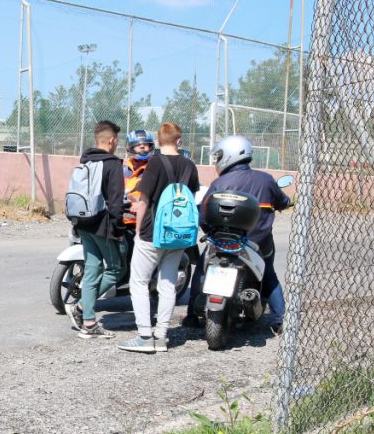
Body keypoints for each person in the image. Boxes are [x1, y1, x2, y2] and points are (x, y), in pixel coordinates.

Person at [183, 135, 292, 333]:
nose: (216, 161)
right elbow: (283, 202)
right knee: (269, 276)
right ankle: (279, 319)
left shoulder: (220, 183)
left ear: (230, 155)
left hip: (223, 242)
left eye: (219, 156)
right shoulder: (266, 179)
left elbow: (203, 216)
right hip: (258, 243)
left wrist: (211, 233)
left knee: (201, 270)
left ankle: (191, 315)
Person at [118, 122, 200, 353]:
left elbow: (143, 201)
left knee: (139, 282)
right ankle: (162, 336)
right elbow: (190, 197)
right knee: (167, 284)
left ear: (158, 141)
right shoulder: (189, 165)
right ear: (179, 141)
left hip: (152, 232)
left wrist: (139, 231)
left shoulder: (154, 164)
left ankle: (145, 336)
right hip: (179, 233)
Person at [67, 120, 125, 338]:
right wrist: (118, 230)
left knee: (92, 268)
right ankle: (82, 308)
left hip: (82, 222)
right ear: (111, 140)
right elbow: (116, 202)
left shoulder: (85, 160)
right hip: (103, 226)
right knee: (116, 269)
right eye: (117, 140)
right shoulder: (113, 165)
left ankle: (88, 321)